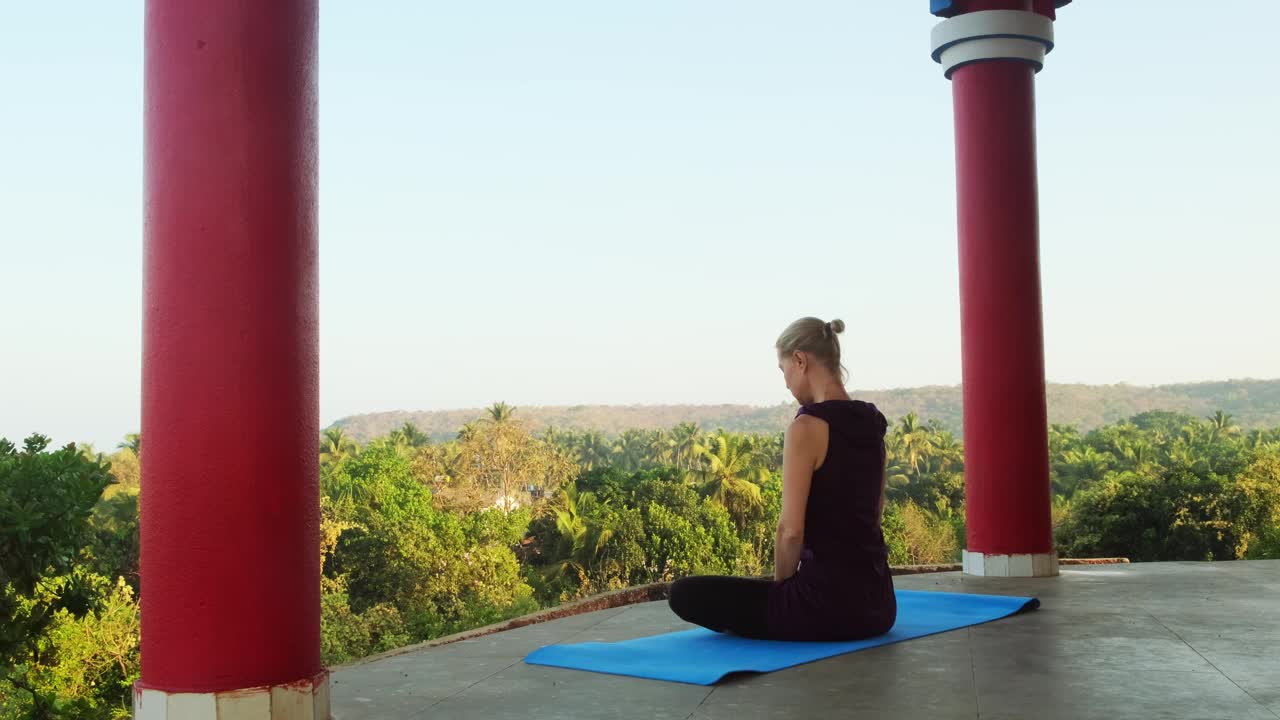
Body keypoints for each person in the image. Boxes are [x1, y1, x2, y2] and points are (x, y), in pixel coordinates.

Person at [667, 316, 896, 641]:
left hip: (828, 608)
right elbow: (877, 509)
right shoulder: (873, 422)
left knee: (685, 593)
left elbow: (790, 531)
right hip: (880, 606)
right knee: (753, 591)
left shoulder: (807, 427)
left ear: (800, 360)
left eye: (783, 369)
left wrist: (782, 594)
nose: (786, 382)